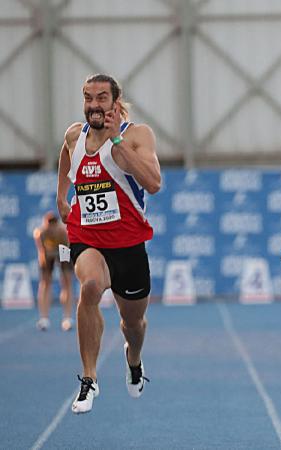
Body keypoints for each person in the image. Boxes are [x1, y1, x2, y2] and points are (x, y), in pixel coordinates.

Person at [56, 74, 161, 414]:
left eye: (101, 98)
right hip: (87, 238)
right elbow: (65, 156)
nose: (93, 105)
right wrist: (61, 196)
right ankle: (89, 378)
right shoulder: (75, 135)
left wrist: (116, 141)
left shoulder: (137, 135)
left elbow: (153, 182)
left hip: (129, 245)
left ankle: (134, 360)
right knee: (89, 287)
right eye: (88, 98)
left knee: (134, 325)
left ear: (116, 103)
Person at [33, 211, 74, 331]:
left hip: (63, 249)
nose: (51, 230)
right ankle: (44, 318)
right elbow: (42, 254)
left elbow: (67, 253)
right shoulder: (40, 233)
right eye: (48, 227)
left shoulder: (63, 232)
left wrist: (64, 263)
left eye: (53, 228)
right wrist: (46, 262)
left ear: (57, 225)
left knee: (66, 282)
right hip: (48, 253)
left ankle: (67, 317)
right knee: (45, 282)